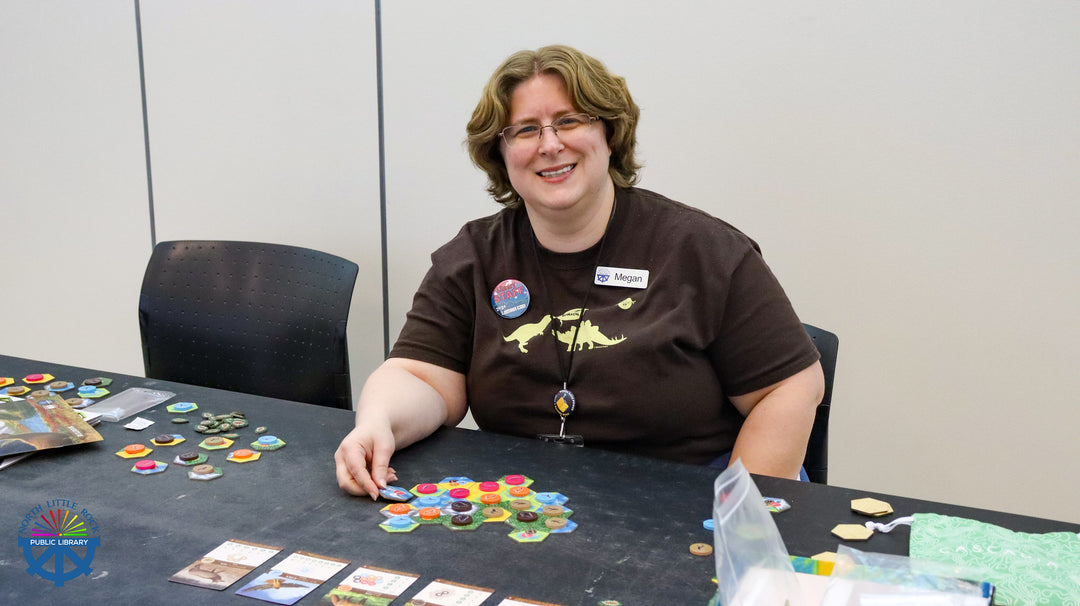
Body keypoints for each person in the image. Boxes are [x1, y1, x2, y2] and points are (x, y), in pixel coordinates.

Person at [335, 45, 825, 499]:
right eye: (526, 129)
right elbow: (422, 376)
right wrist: (376, 423)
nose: (549, 145)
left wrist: (741, 517)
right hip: (536, 503)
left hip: (687, 497)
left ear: (609, 134)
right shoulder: (473, 256)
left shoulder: (704, 250)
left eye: (568, 121)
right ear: (501, 155)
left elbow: (791, 386)